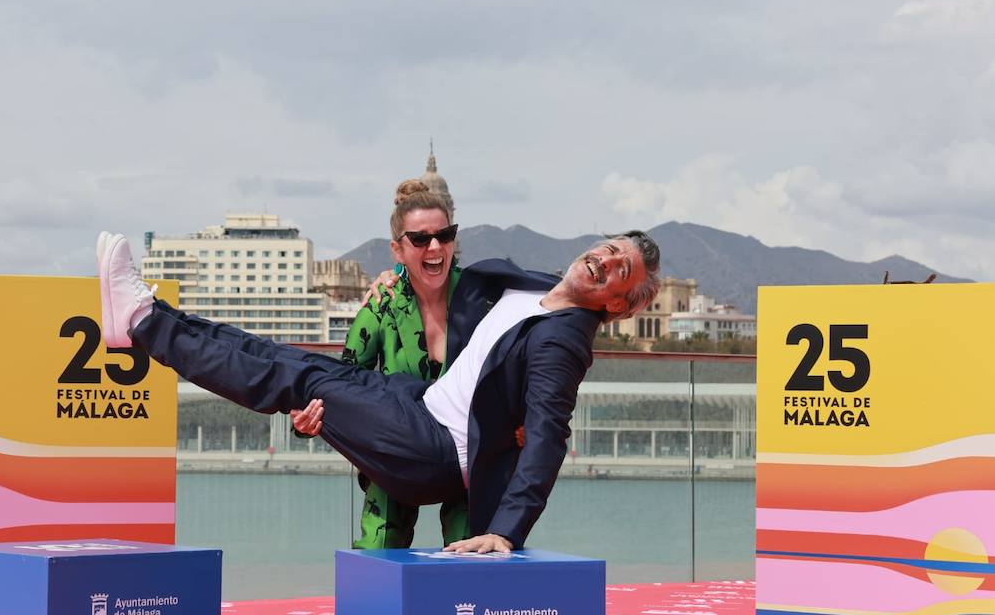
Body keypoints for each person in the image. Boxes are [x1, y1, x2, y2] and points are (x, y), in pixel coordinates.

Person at [97, 228, 660, 552]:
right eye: (611, 248)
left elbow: (547, 435)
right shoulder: (540, 289)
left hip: (432, 452)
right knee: (289, 359)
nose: (606, 260)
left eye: (620, 271)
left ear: (615, 303)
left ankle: (145, 322)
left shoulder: (564, 340)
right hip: (416, 402)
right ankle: (145, 317)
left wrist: (507, 532)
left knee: (300, 378)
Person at [293, 178, 468, 550]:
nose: (435, 247)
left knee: (473, 554)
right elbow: (342, 384)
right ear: (398, 250)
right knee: (378, 553)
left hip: (469, 454)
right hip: (396, 452)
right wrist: (308, 423)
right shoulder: (382, 306)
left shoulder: (481, 299)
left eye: (445, 234)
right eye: (420, 239)